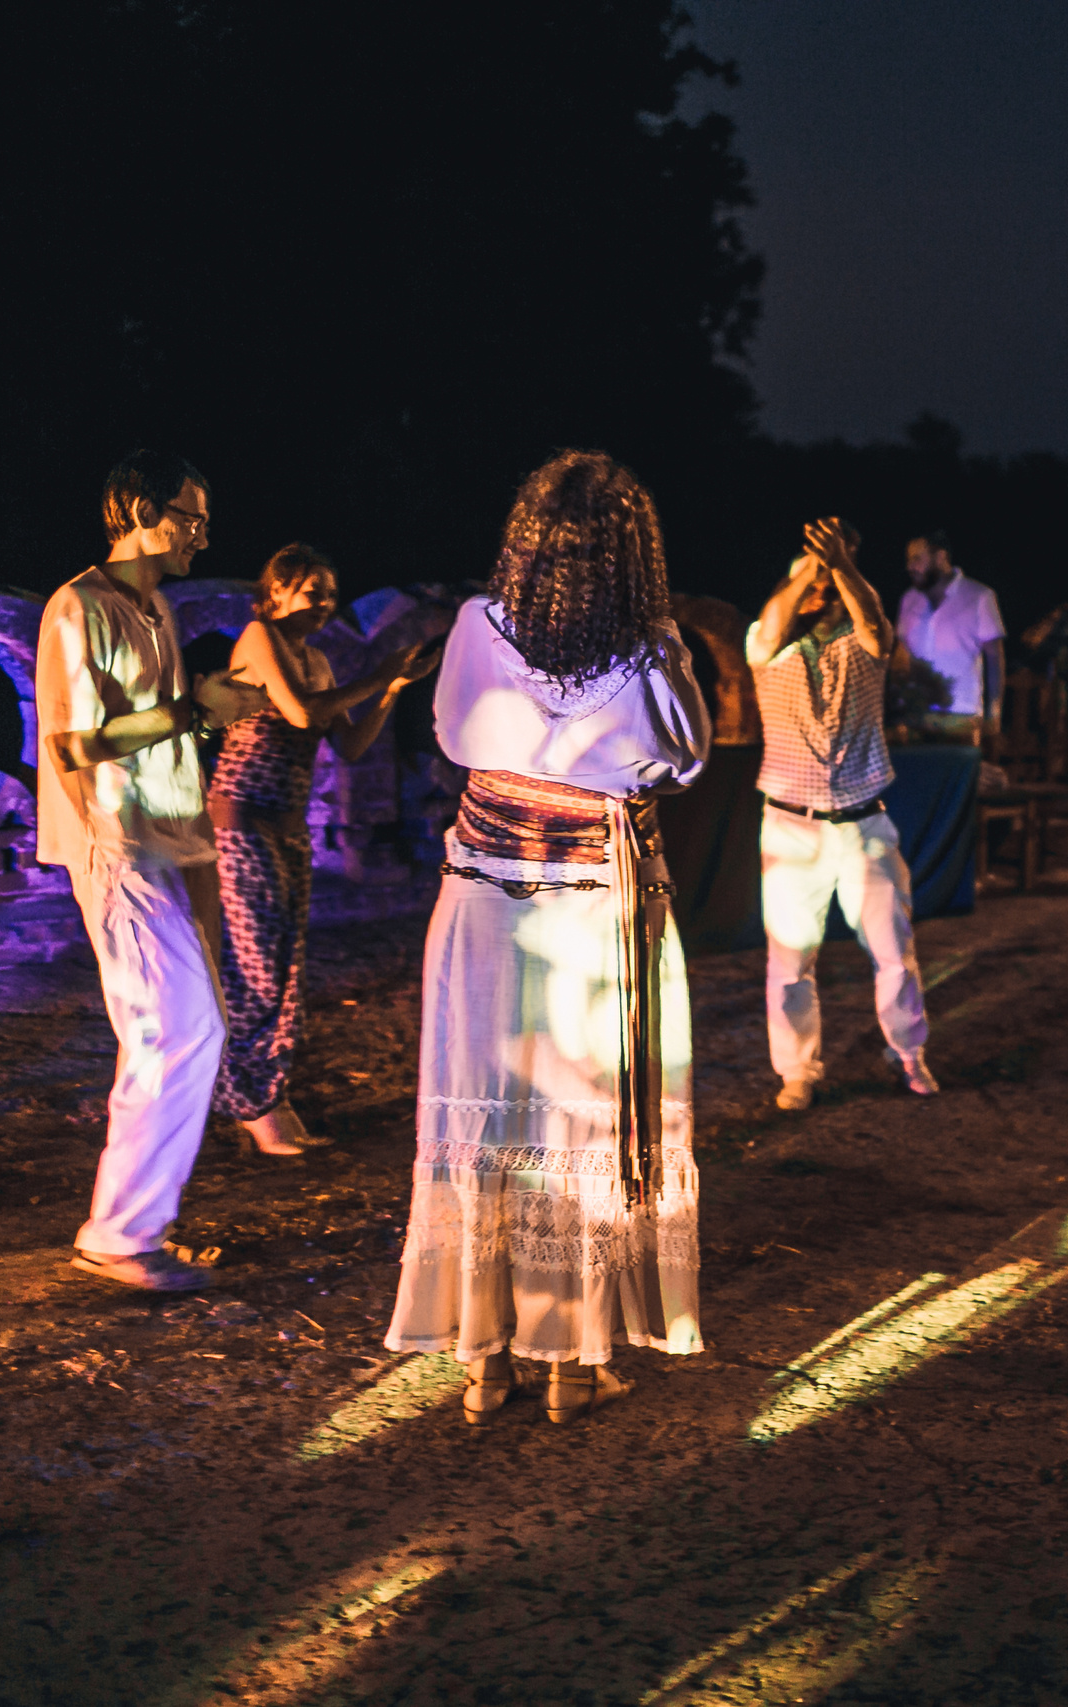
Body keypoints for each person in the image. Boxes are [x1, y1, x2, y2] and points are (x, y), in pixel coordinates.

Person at [383, 451, 711, 1426]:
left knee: (489, 1115)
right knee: (579, 1121)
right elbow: (685, 757)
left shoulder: (480, 627)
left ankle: (485, 1362)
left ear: (525, 541)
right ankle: (572, 1361)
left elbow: (449, 735)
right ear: (633, 554)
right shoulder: (653, 649)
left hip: (485, 897)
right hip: (592, 905)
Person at [38, 449, 267, 1292]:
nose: (203, 535)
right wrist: (190, 708)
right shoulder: (79, 607)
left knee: (177, 1031)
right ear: (136, 507)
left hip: (168, 843)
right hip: (114, 844)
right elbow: (75, 745)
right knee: (175, 1032)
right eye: (190, 515)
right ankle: (120, 1234)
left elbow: (162, 735)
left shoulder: (155, 608)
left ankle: (131, 1228)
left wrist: (206, 721)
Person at [211, 544, 441, 1156]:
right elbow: (300, 713)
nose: (325, 604)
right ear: (277, 592)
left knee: (284, 968)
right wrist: (377, 670)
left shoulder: (316, 660)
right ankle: (251, 1101)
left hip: (286, 826)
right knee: (257, 965)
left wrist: (390, 686)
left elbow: (351, 747)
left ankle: (264, 1096)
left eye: (332, 593)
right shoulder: (260, 638)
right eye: (313, 590)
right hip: (242, 822)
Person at [751, 520, 937, 1113]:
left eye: (830, 585)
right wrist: (812, 565)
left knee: (892, 950)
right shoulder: (768, 643)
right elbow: (775, 619)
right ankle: (797, 1074)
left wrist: (843, 566)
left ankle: (908, 1054)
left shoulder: (866, 647)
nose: (821, 593)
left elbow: (875, 622)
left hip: (864, 823)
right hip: (790, 826)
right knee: (789, 961)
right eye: (812, 583)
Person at [895, 531, 1006, 746]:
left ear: (940, 558)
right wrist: (899, 706)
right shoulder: (909, 599)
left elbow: (994, 657)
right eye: (909, 559)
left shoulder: (979, 596)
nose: (910, 566)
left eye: (917, 558)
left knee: (959, 778)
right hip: (916, 714)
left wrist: (995, 712)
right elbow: (902, 654)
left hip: (961, 715)